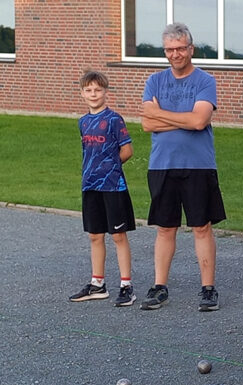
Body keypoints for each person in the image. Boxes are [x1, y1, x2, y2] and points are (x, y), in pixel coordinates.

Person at [140, 23, 226, 312]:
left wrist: (161, 115)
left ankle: (208, 289)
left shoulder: (205, 81)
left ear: (191, 49)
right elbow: (146, 123)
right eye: (170, 49)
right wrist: (183, 118)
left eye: (180, 48)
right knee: (165, 228)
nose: (175, 54)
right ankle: (160, 287)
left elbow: (199, 121)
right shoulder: (154, 81)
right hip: (162, 165)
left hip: (198, 165)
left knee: (201, 226)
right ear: (165, 51)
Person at [69, 70, 137, 307]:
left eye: (97, 90)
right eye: (88, 90)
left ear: (105, 91)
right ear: (82, 93)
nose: (93, 94)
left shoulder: (114, 120)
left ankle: (126, 285)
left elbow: (127, 150)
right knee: (95, 235)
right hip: (90, 186)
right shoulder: (83, 122)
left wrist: (110, 168)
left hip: (112, 186)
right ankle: (97, 284)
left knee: (118, 235)